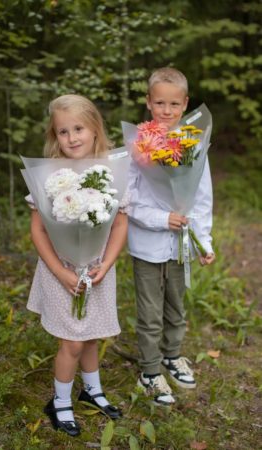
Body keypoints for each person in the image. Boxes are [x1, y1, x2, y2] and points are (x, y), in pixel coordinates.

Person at [26, 94, 128, 436]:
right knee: (71, 341)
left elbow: (120, 224)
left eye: (78, 128)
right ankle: (60, 402)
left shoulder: (112, 172)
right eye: (63, 131)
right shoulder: (49, 175)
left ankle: (92, 390)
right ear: (55, 136)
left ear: (95, 128)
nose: (71, 137)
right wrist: (60, 271)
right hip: (60, 270)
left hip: (98, 268)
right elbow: (38, 229)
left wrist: (108, 263)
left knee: (92, 335)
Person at [127, 67, 215, 406]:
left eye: (174, 104)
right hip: (148, 243)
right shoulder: (138, 146)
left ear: (185, 104)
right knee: (150, 310)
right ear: (148, 103)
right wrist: (162, 218)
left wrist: (203, 241)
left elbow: (202, 196)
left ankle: (171, 354)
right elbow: (129, 201)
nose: (166, 110)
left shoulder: (193, 143)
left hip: (181, 245)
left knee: (176, 304)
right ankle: (149, 370)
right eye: (160, 103)